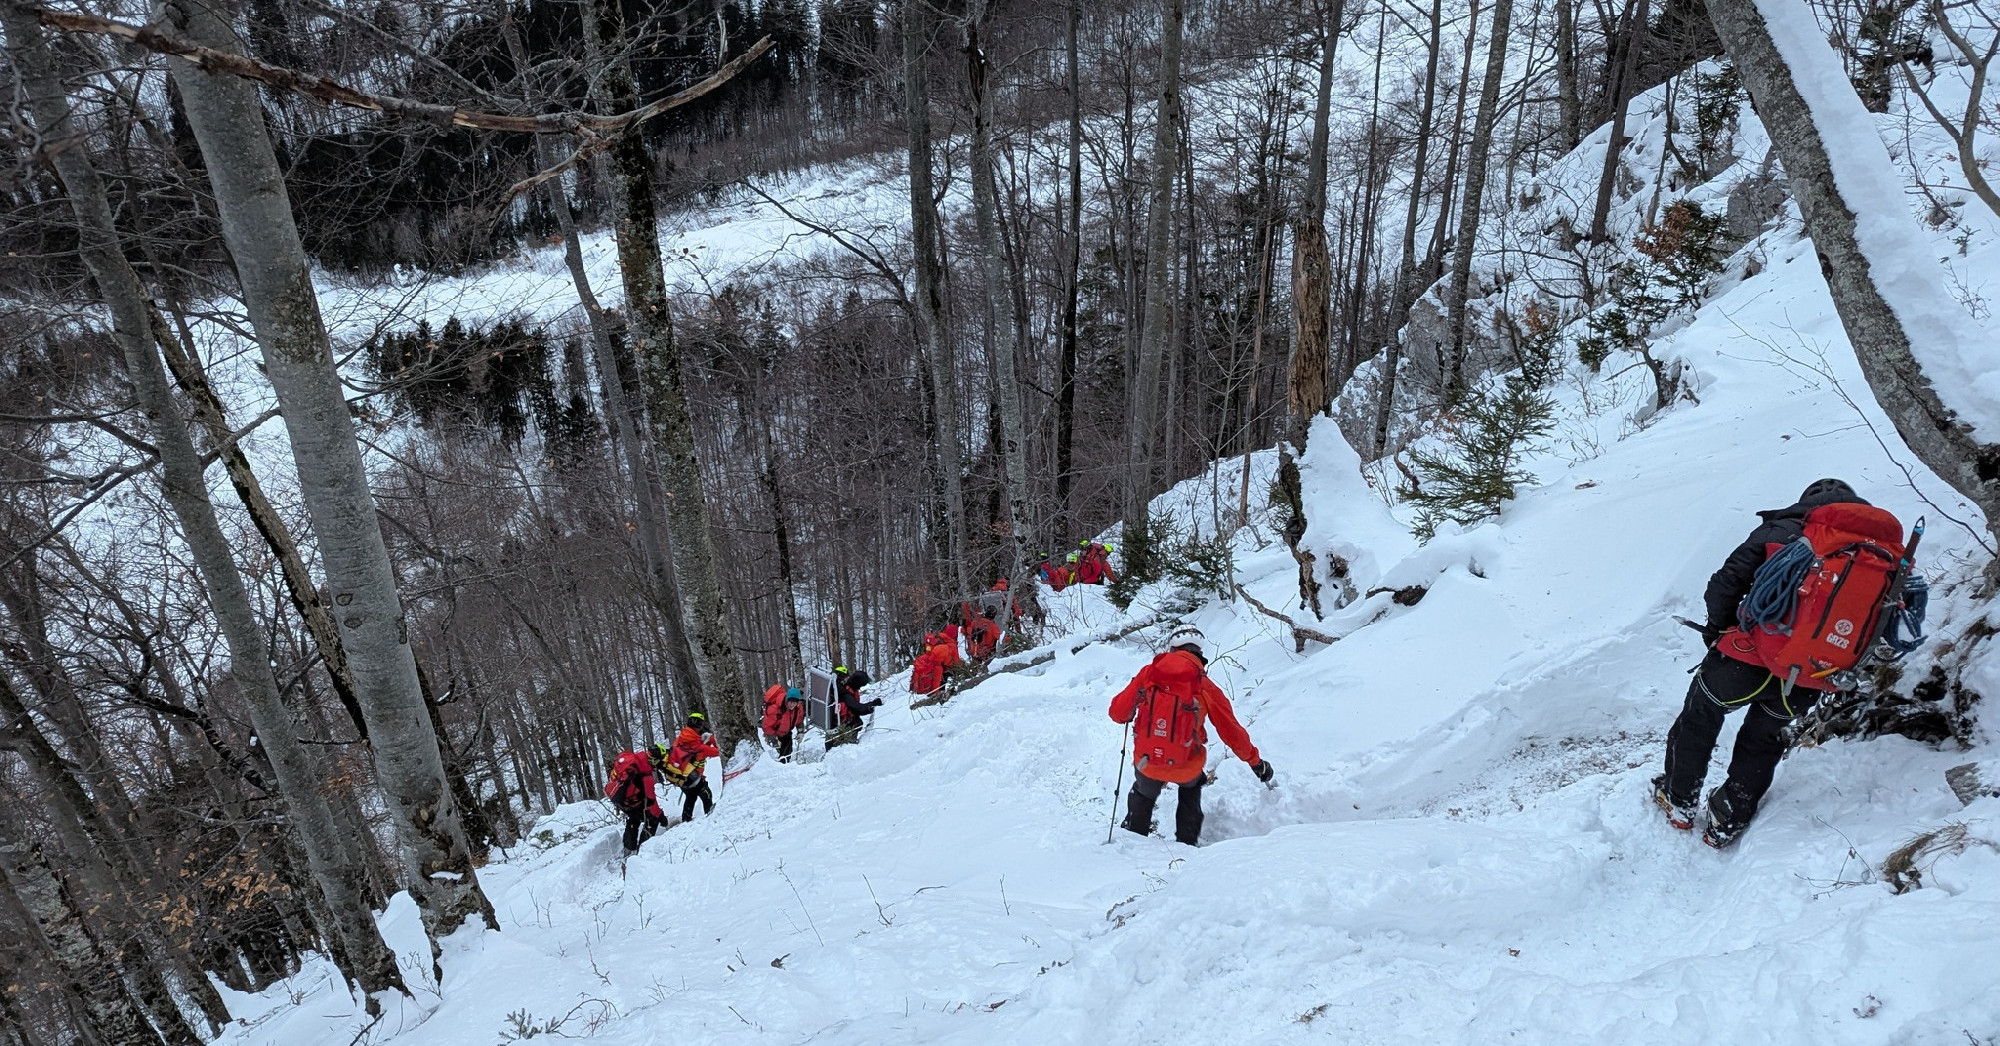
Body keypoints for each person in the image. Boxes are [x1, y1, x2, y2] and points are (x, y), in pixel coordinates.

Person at [1653, 478, 1889, 847]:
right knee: (1764, 741)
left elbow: (1724, 584)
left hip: (1744, 659)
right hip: (1810, 675)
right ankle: (1727, 820)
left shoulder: (1781, 530)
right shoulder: (1881, 557)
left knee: (1700, 717)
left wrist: (1717, 629)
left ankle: (1679, 799)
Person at [1108, 626, 1272, 846]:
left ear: (1171, 649)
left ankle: (1132, 842)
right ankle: (1185, 849)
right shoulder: (1204, 685)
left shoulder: (1149, 674)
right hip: (1186, 762)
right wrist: (1255, 762)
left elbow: (1118, 713)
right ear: (1199, 654)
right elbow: (1230, 730)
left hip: (1148, 760)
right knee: (1191, 788)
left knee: (1143, 793)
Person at [604, 744, 668, 854]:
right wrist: (661, 817)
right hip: (631, 801)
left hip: (620, 798)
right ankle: (643, 849)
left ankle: (629, 847)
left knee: (634, 818)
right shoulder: (645, 777)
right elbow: (652, 802)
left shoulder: (634, 760)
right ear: (654, 760)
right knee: (652, 819)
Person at [668, 711, 721, 822]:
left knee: (691, 797)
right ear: (699, 725)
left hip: (681, 777)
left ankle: (686, 820)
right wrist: (711, 739)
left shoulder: (680, 739)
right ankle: (710, 818)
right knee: (707, 795)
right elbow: (719, 751)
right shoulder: (698, 746)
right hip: (694, 777)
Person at [827, 667, 882, 748]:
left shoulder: (839, 686)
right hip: (840, 727)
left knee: (857, 722)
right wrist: (873, 704)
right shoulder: (844, 692)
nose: (860, 688)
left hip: (833, 722)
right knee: (857, 723)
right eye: (861, 685)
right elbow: (858, 709)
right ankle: (849, 746)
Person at [760, 684, 806, 761]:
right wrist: (774, 739)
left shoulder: (798, 708)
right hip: (775, 734)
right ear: (787, 700)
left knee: (788, 753)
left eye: (794, 703)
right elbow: (767, 726)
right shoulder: (776, 709)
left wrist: (800, 731)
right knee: (781, 756)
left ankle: (785, 767)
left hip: (787, 733)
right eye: (791, 702)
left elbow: (799, 719)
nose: (792, 705)